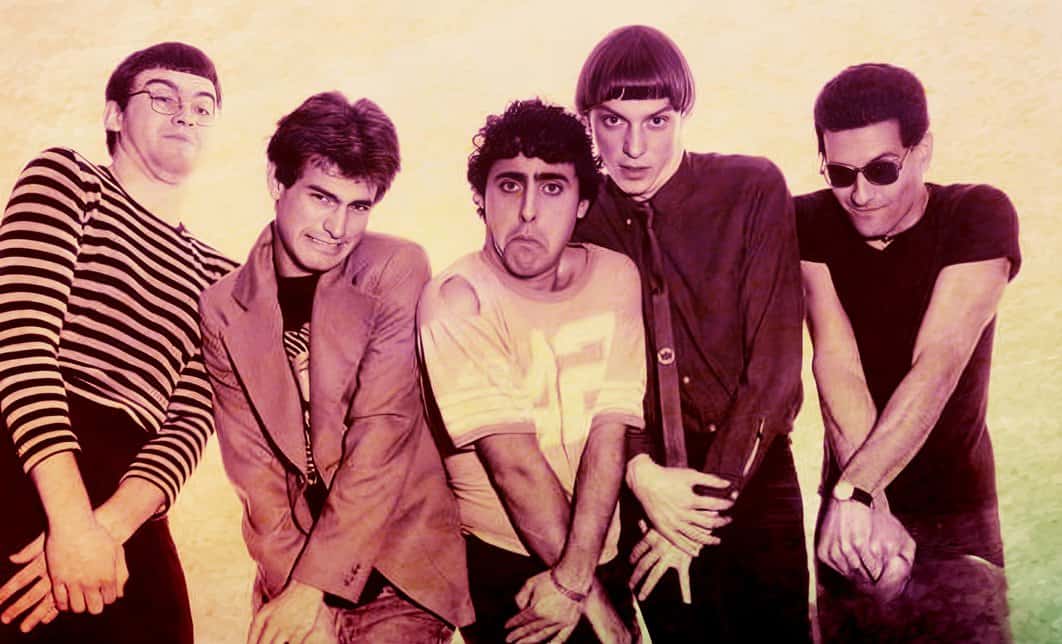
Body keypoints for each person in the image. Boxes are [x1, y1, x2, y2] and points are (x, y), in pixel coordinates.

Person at [199, 91, 472, 644]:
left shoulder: (395, 267)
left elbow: (382, 435)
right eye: (322, 197)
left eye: (358, 206)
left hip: (400, 570)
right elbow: (254, 474)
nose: (338, 227)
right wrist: (297, 593)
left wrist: (312, 588)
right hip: (288, 571)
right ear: (277, 182)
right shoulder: (223, 307)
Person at [571, 25, 810, 642]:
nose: (633, 147)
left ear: (684, 114)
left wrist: (698, 517)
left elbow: (775, 372)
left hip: (751, 472)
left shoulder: (752, 189)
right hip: (640, 486)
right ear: (588, 120)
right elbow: (583, 374)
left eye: (657, 121)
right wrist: (639, 472)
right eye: (612, 121)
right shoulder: (576, 218)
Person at [0, 42, 234, 643]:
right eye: (163, 96)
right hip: (31, 452)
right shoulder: (67, 179)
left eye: (202, 106)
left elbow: (191, 422)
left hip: (132, 496)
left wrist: (103, 532)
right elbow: (22, 347)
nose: (185, 114)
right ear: (114, 114)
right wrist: (69, 523)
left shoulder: (222, 280)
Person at [796, 62, 1019, 642]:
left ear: (923, 152)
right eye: (840, 173)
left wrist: (857, 491)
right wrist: (869, 511)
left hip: (954, 513)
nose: (860, 194)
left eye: (882, 169)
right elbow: (836, 366)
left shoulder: (978, 215)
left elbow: (938, 364)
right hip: (852, 514)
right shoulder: (809, 221)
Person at [418, 98, 644, 644]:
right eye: (509, 185)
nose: (527, 211)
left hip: (598, 550)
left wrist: (580, 578)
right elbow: (514, 469)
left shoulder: (615, 277)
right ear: (480, 197)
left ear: (583, 202)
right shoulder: (457, 299)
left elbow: (609, 431)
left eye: (552, 187)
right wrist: (593, 607)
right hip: (508, 566)